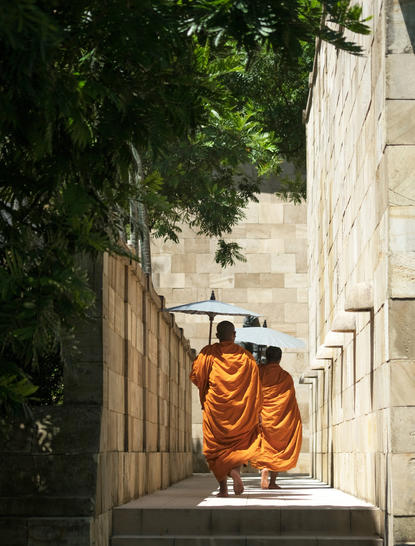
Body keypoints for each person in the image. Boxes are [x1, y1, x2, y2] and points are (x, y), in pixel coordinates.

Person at [190, 320, 262, 497]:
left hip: (215, 410)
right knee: (236, 448)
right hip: (240, 413)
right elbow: (255, 388)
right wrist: (256, 412)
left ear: (217, 335)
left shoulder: (208, 353)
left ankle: (223, 488)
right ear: (234, 335)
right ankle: (235, 471)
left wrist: (204, 362)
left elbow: (195, 377)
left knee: (215, 450)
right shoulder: (246, 357)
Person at [250, 346, 302, 489]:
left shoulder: (259, 372)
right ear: (280, 358)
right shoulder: (285, 376)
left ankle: (264, 468)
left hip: (262, 417)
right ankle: (272, 482)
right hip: (279, 420)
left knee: (264, 446)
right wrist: (293, 419)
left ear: (267, 357)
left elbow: (252, 393)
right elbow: (290, 401)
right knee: (279, 447)